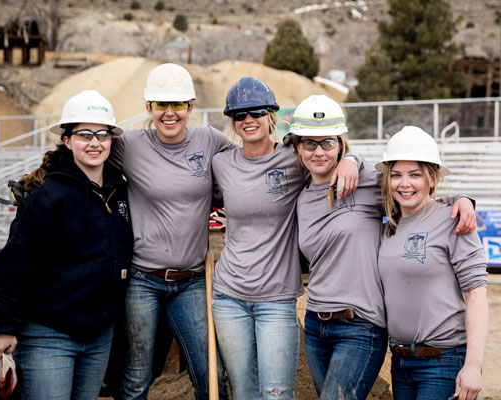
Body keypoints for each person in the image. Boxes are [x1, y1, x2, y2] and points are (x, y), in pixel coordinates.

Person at [290, 96, 475, 399]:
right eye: (309, 143)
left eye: (327, 142)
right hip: (316, 324)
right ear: (297, 146)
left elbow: (415, 189)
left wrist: (462, 200)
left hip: (360, 325)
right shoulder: (301, 197)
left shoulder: (365, 182)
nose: (318, 151)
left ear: (341, 143)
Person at [210, 77, 362, 400]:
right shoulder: (221, 164)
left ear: (271, 116)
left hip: (276, 300)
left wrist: (351, 159)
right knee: (243, 392)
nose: (248, 120)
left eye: (256, 112)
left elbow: (331, 152)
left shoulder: (295, 160)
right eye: (239, 115)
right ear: (233, 122)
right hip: (228, 298)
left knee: (276, 394)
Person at [0, 90, 133, 399]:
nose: (94, 142)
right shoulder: (49, 196)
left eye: (102, 134)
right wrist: (1, 325)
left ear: (112, 140)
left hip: (99, 335)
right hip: (49, 335)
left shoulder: (120, 192)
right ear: (66, 140)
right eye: (84, 134)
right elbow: (15, 263)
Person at [108, 63, 229, 400]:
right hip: (141, 280)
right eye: (161, 104)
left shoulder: (209, 140)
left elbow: (250, 166)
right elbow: (82, 152)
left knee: (211, 373)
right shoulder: (129, 145)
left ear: (191, 107)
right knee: (134, 378)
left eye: (177, 104)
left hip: (191, 280)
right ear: (148, 108)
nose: (169, 113)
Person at [376, 126, 487, 400]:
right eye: (397, 175)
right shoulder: (389, 228)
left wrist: (472, 366)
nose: (405, 184)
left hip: (443, 361)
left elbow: (476, 295)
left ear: (433, 179)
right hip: (401, 362)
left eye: (415, 175)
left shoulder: (454, 221)